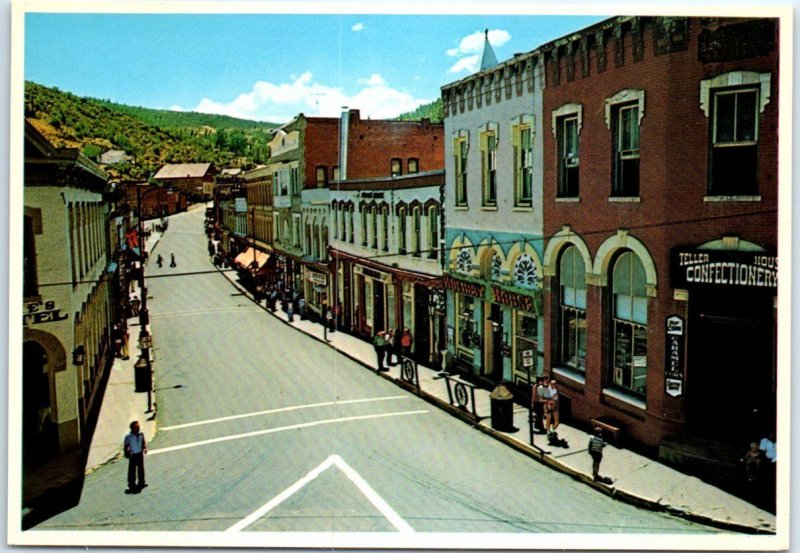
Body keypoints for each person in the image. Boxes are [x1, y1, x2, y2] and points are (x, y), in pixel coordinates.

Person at [123, 420, 147, 492]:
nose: (138, 428)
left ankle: (141, 482)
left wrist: (144, 447)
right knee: (132, 470)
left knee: (141, 469)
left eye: (138, 427)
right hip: (133, 455)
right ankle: (131, 483)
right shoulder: (129, 437)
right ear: (132, 428)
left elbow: (143, 442)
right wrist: (127, 452)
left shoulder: (141, 434)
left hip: (139, 454)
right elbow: (126, 446)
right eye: (136, 427)